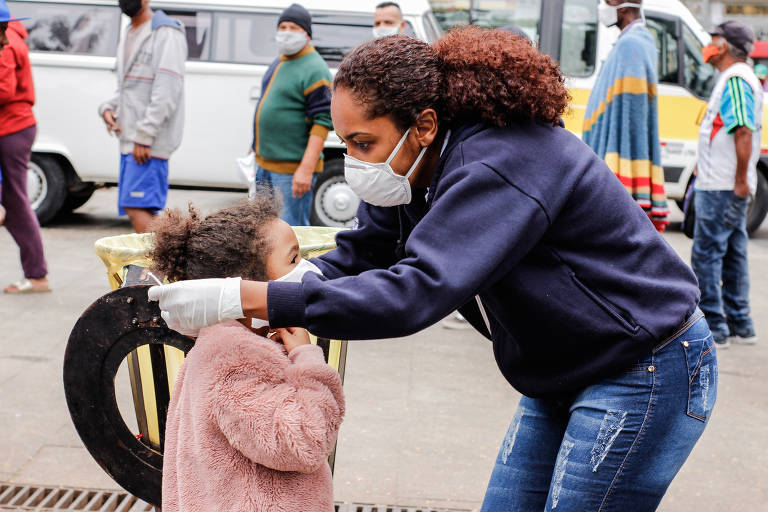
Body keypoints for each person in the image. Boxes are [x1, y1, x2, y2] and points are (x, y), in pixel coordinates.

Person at [150, 29, 716, 510]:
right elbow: (366, 251)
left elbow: (415, 293)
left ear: (423, 124)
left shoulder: (500, 161)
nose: (355, 162)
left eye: (364, 142)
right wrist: (294, 284)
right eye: (346, 143)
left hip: (646, 365)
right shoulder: (411, 166)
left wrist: (253, 299)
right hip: (562, 367)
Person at [152, 199, 345, 512]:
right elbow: (306, 442)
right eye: (294, 260)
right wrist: (307, 357)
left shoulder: (220, 343)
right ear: (246, 287)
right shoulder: (238, 361)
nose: (308, 269)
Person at [693, 21, 763, 349]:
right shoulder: (734, 79)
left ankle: (715, 327)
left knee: (707, 253)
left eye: (713, 39)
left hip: (723, 186)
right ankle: (741, 324)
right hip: (723, 182)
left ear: (726, 46)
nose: (709, 45)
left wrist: (738, 182)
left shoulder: (735, 79)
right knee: (733, 252)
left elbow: (743, 130)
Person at [98, 0, 186, 233]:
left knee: (137, 208)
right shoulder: (129, 31)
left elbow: (166, 90)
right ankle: (166, 264)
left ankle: (168, 265)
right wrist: (108, 107)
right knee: (136, 207)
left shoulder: (165, 32)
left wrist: (145, 136)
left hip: (147, 143)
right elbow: (128, 88)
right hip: (131, 139)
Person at [583, 0, 670, 232]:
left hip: (621, 166)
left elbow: (630, 118)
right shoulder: (632, 41)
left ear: (623, 8)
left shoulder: (632, 44)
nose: (603, 6)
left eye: (609, 1)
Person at [251, 3, 332, 226]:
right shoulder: (281, 61)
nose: (286, 32)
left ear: (306, 33)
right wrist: (254, 145)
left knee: (291, 232)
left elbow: (323, 122)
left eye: (293, 27)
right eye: (283, 26)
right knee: (264, 230)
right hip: (265, 165)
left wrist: (305, 170)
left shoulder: (315, 68)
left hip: (291, 171)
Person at [0, 2, 51, 294]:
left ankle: (37, 275)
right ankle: (36, 273)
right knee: (15, 204)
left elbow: (4, 90)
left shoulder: (5, 43)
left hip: (11, 128)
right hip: (14, 127)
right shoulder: (12, 35)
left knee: (17, 204)